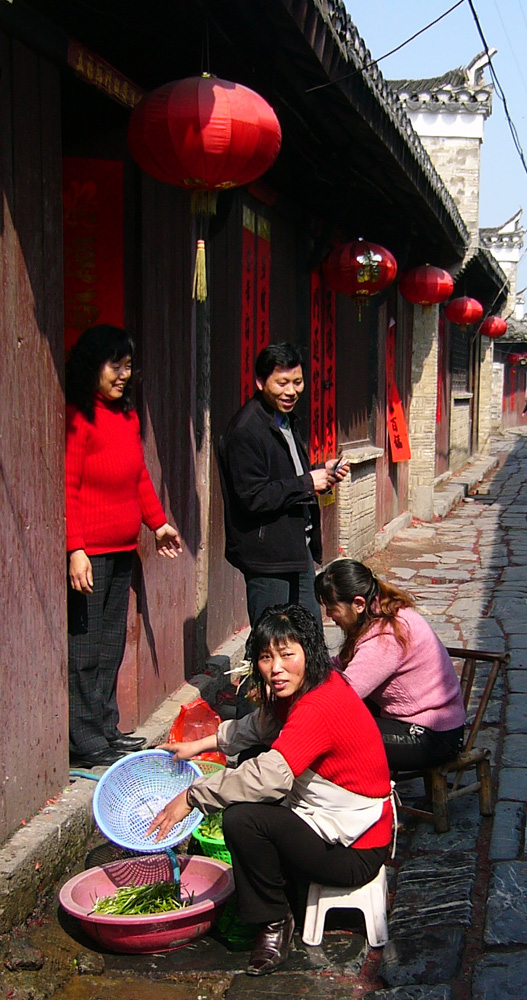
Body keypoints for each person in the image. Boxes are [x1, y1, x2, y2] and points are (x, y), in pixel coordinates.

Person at [148, 605, 393, 977]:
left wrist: (192, 796)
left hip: (356, 850)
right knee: (250, 756)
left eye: (287, 655)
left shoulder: (320, 704)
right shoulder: (304, 687)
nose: (276, 668)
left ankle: (274, 924)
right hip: (328, 822)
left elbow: (269, 777)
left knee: (243, 820)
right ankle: (282, 894)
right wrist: (198, 746)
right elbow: (260, 726)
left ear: (308, 653)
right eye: (266, 657)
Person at [65, 325, 182, 769]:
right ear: (93, 366)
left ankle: (105, 728)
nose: (123, 375)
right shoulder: (79, 417)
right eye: (115, 365)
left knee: (111, 644)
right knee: (85, 648)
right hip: (90, 554)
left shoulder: (128, 416)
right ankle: (84, 740)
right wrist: (75, 549)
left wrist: (159, 523)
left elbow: (138, 476)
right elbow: (68, 489)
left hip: (121, 549)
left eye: (128, 366)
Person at [217, 343, 348, 633]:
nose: (291, 391)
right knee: (272, 641)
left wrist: (321, 474)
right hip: (267, 556)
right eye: (282, 383)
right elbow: (252, 497)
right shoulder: (246, 430)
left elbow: (284, 475)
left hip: (295, 548)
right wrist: (307, 483)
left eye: (297, 382)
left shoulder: (284, 420)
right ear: (261, 382)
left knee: (309, 636)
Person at [314, 559, 466, 771]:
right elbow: (339, 665)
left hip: (432, 735)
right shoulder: (377, 615)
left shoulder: (386, 636)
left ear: (358, 604)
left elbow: (343, 695)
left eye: (332, 609)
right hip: (416, 723)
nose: (329, 616)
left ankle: (362, 798)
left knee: (329, 733)